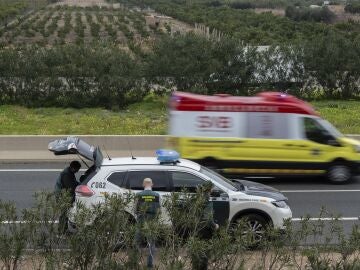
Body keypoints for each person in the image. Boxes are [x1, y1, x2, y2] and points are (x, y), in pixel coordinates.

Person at [191, 182, 219, 270]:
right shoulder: (207, 201)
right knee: (205, 253)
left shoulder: (196, 199)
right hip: (205, 231)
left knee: (195, 252)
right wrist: (215, 226)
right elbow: (208, 218)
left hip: (195, 228)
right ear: (209, 190)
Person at [134, 178, 160, 269]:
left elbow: (135, 210)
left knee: (136, 242)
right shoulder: (157, 195)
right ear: (152, 184)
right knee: (151, 244)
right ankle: (150, 265)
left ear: (143, 184)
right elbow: (158, 210)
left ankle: (135, 262)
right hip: (152, 222)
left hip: (141, 221)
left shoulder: (138, 195)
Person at [55, 160, 81, 234]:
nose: (77, 171)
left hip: (64, 194)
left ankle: (64, 230)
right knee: (64, 213)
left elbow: (74, 183)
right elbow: (70, 187)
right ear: (73, 168)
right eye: (77, 170)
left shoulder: (70, 172)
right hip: (61, 196)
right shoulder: (66, 174)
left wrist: (80, 184)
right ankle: (61, 232)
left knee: (66, 213)